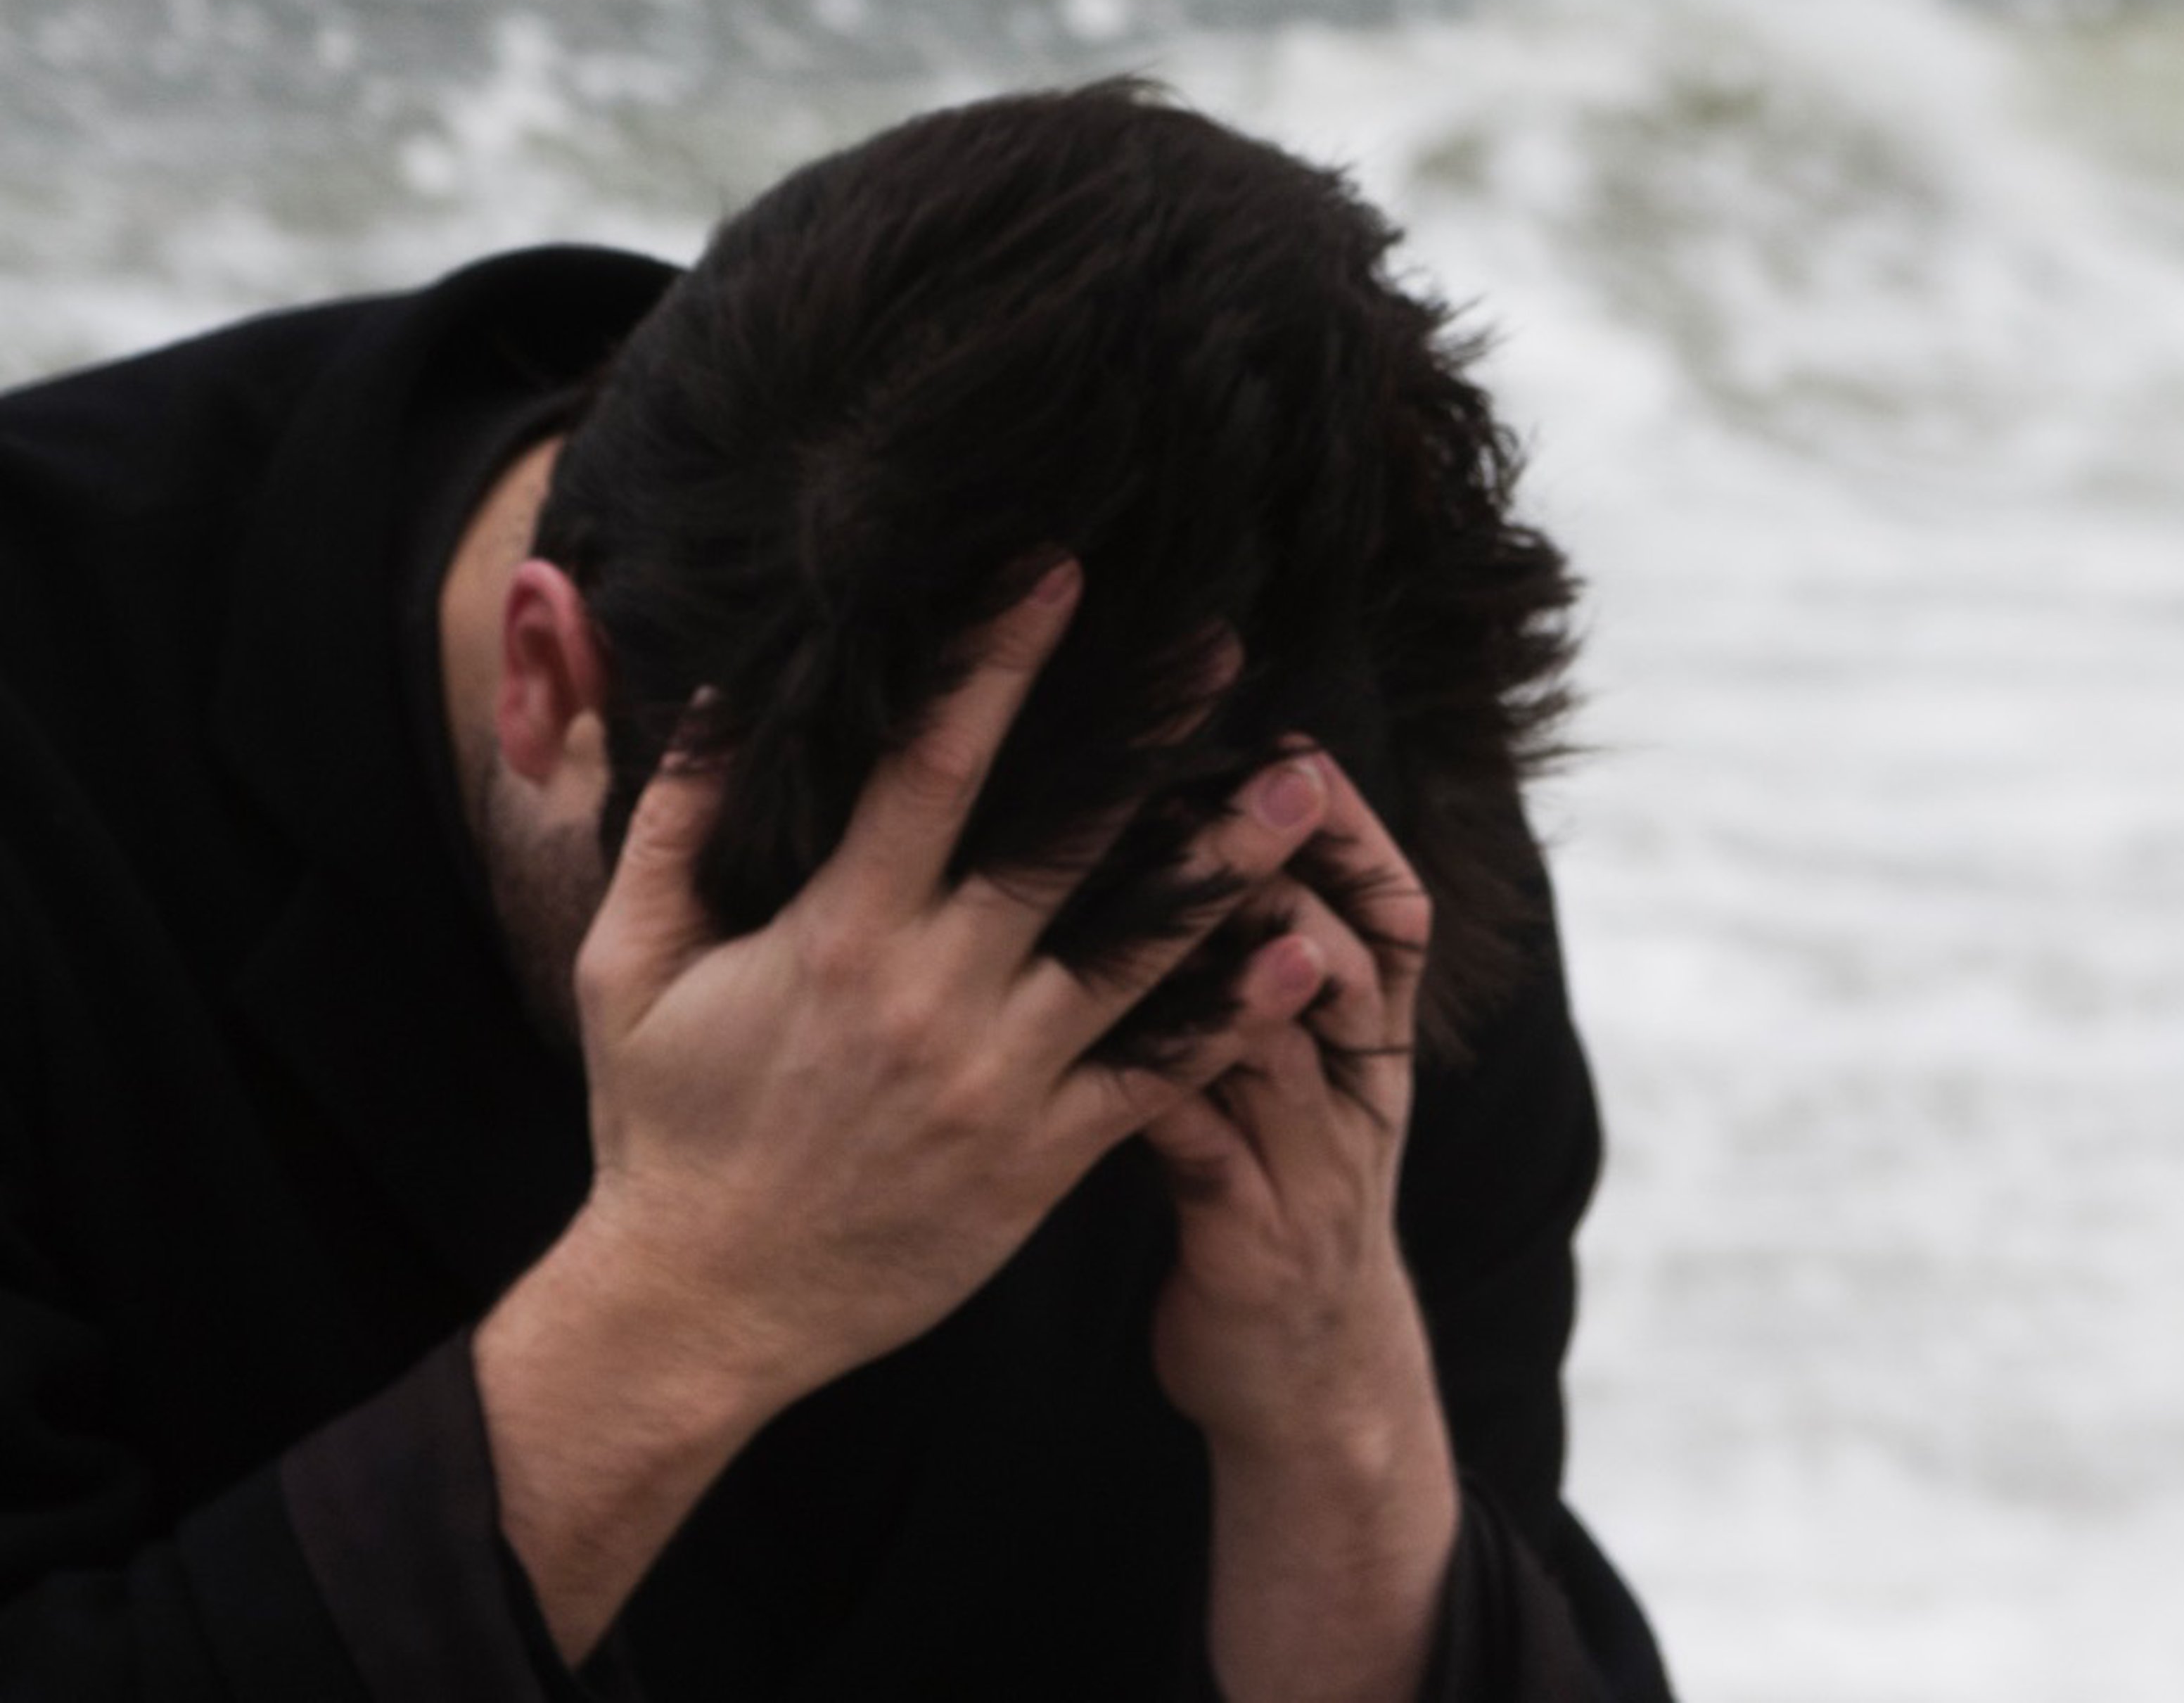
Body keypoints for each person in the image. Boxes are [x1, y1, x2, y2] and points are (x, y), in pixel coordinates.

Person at [0, 82, 1671, 1700]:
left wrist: (1330, 1406)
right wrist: (687, 1297)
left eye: (1105, 1065)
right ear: (547, 676)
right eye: (852, 1012)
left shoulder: (1312, 840)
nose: (969, 1104)